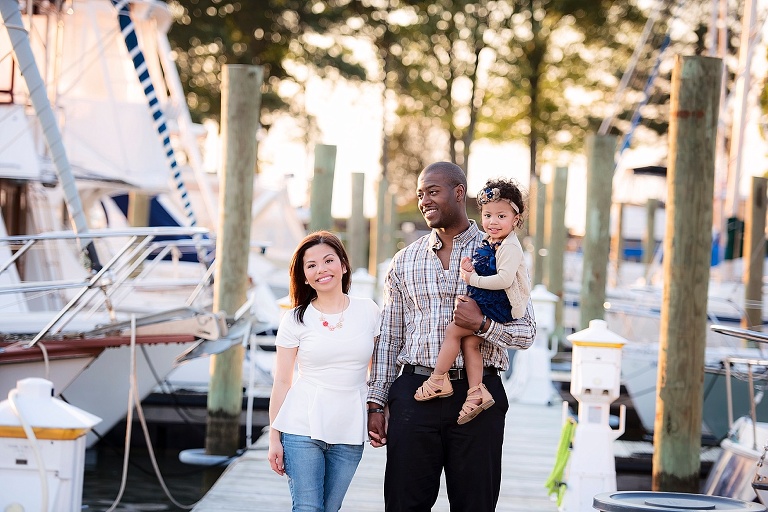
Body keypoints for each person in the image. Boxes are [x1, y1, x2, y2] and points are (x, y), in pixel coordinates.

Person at [367, 162, 536, 512]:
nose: (424, 200)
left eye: (432, 191)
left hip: (479, 397)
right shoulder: (404, 262)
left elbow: (526, 332)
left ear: (459, 193)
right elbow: (390, 337)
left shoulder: (502, 250)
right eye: (420, 194)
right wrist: (375, 402)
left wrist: (482, 325)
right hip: (415, 394)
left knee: (475, 505)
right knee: (403, 505)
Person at [268, 231, 380, 512]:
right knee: (307, 508)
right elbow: (282, 381)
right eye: (311, 265)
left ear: (343, 265)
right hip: (301, 426)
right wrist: (274, 438)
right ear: (304, 277)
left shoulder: (368, 311)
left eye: (328, 260)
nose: (321, 270)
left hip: (350, 428)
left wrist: (381, 412)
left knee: (330, 509)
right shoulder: (294, 319)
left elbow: (378, 372)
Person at [413, 178, 531, 425]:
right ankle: (476, 392)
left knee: (454, 331)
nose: (492, 222)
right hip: (489, 301)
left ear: (515, 220)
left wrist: (472, 278)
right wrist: (472, 266)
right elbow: (486, 265)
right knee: (469, 344)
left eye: (501, 216)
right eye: (488, 215)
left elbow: (503, 279)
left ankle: (438, 379)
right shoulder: (491, 241)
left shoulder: (510, 247)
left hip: (497, 306)